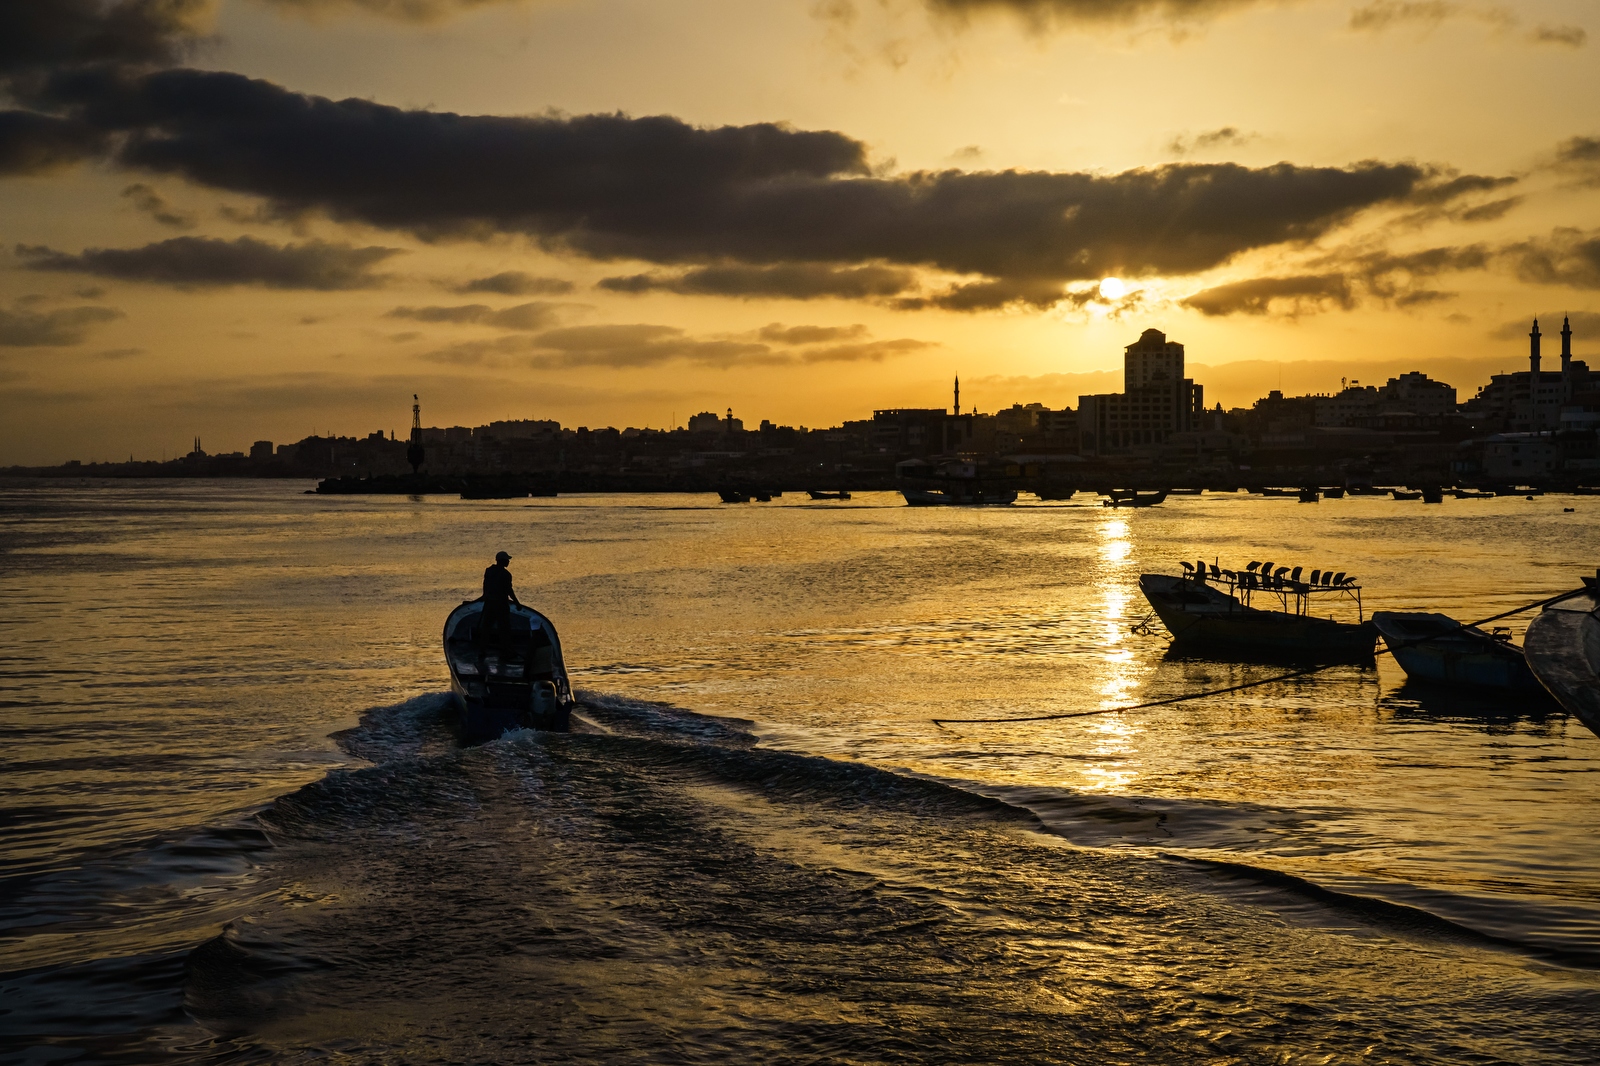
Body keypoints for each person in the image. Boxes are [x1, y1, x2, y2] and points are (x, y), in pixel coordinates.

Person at [478, 551, 520, 663]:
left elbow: (486, 586)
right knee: (504, 629)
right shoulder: (506, 575)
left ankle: (482, 650)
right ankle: (506, 651)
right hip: (501, 605)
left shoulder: (489, 571)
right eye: (507, 560)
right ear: (502, 561)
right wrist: (517, 603)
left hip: (489, 604)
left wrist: (485, 596)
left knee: (486, 628)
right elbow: (509, 590)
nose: (509, 561)